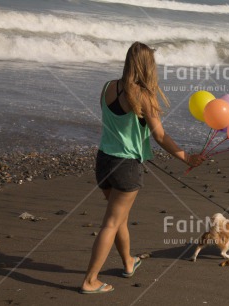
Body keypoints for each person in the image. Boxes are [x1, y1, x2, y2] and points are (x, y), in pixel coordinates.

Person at [80, 42, 205, 294]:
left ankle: (128, 262)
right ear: (149, 66)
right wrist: (187, 158)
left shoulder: (108, 87)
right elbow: (159, 136)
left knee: (119, 219)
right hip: (126, 166)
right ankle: (90, 280)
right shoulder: (144, 96)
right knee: (111, 223)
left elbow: (112, 119)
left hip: (104, 161)